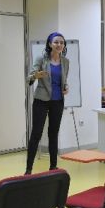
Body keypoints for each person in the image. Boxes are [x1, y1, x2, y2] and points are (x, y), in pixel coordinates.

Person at [26, 32, 69, 174]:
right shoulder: (41, 59)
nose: (59, 45)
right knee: (36, 134)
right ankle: (28, 169)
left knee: (53, 133)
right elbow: (29, 78)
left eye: (61, 42)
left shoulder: (65, 62)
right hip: (41, 100)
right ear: (50, 44)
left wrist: (66, 87)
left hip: (58, 101)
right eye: (56, 42)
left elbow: (64, 80)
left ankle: (53, 166)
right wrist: (36, 75)